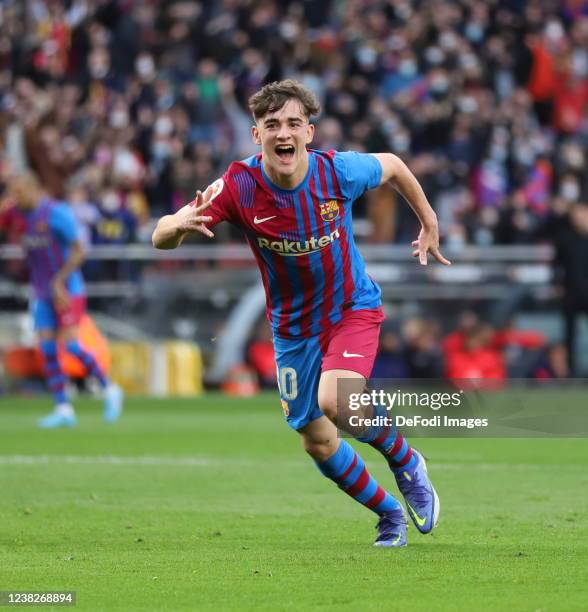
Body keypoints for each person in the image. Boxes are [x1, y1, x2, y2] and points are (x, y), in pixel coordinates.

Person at [152, 80, 450, 547]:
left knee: (338, 402)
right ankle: (390, 514)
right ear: (257, 135)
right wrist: (177, 226)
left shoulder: (338, 173)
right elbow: (159, 236)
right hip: (293, 329)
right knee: (317, 440)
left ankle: (406, 460)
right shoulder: (238, 186)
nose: (282, 133)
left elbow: (392, 166)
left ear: (309, 132)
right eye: (272, 125)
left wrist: (429, 220)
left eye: (293, 123)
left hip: (351, 308)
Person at [1, 173, 123, 428]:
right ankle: (63, 408)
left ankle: (110, 388)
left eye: (19, 192)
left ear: (35, 189)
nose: (15, 198)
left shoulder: (57, 213)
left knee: (70, 345)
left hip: (68, 289)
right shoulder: (18, 213)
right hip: (42, 291)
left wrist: (59, 281)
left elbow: (80, 250)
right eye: (12, 193)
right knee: (46, 349)